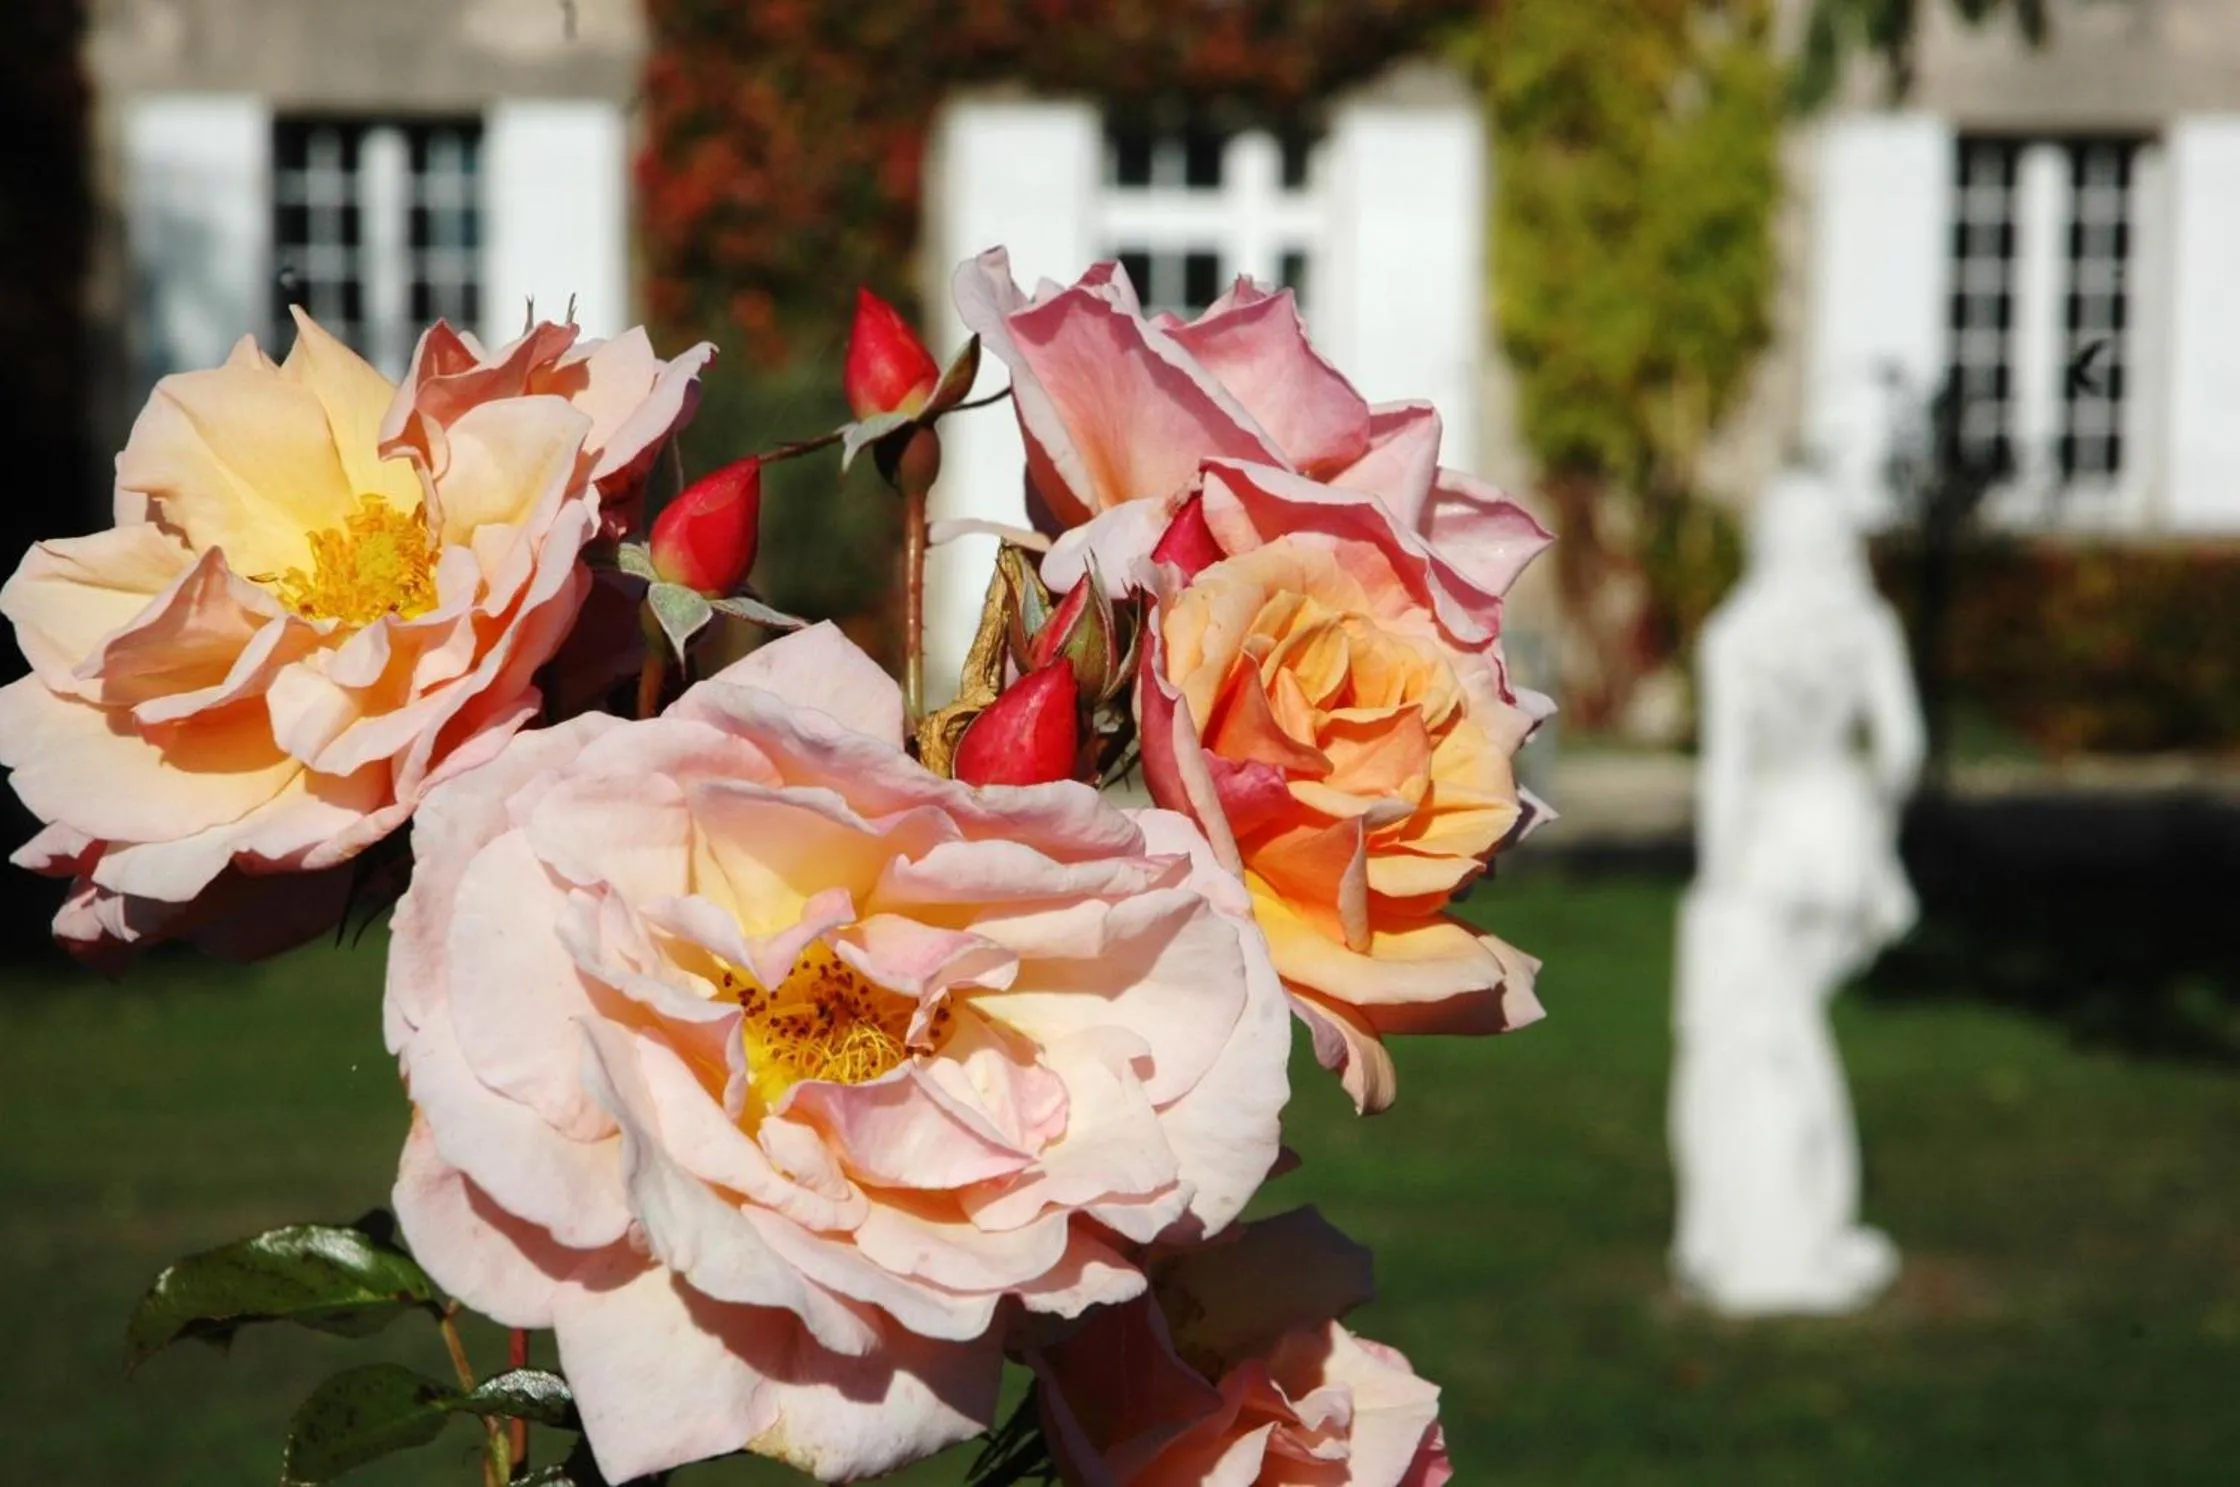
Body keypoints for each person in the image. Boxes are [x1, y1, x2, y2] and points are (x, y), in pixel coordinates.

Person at [1669, 468, 1924, 1315]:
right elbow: (1902, 748)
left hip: (1766, 853)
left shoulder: (1737, 634)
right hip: (1840, 844)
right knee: (1787, 1034)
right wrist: (1875, 830)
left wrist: (1717, 878)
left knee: (1763, 1040)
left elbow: (1728, 772)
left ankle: (1765, 1230)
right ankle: (1782, 1222)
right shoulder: (1866, 625)